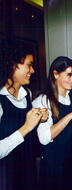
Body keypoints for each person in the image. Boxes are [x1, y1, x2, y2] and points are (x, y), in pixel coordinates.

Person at [32, 56, 72, 190]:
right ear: (55, 74)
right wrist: (69, 116)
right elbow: (44, 139)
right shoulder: (43, 101)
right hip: (55, 164)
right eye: (69, 75)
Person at [0, 47, 48, 190]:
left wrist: (39, 120)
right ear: (13, 65)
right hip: (6, 173)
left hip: (27, 167)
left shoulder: (26, 94)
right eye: (29, 64)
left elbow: (29, 133)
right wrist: (26, 127)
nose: (32, 71)